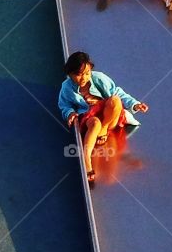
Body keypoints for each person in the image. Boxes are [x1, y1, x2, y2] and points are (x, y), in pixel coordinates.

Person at [58, 50, 149, 187]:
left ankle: (104, 131)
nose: (84, 78)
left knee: (115, 100)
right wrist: (70, 113)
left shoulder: (99, 78)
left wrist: (135, 104)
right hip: (89, 116)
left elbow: (118, 92)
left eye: (87, 73)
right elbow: (64, 105)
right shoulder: (66, 87)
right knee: (95, 123)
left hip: (108, 117)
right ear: (70, 74)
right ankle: (87, 160)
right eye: (78, 75)